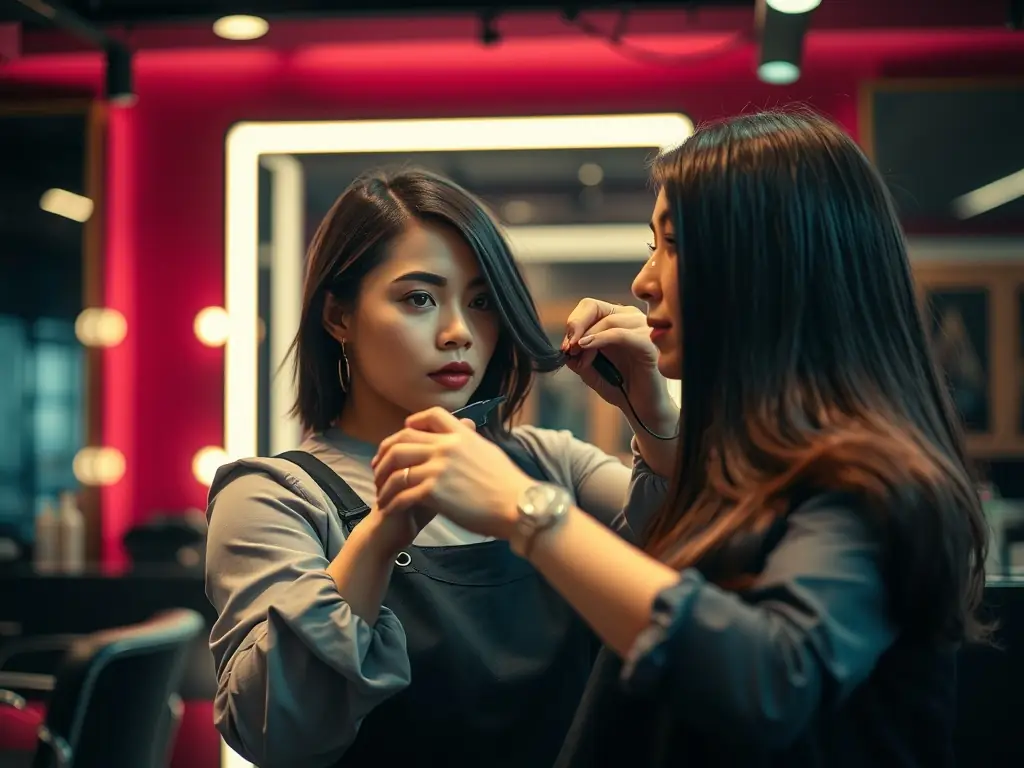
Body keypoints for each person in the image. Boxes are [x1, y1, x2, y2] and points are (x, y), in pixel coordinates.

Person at [370, 111, 991, 767]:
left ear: (770, 265)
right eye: (651, 246)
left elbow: (770, 680)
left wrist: (528, 511)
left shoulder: (869, 474)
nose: (644, 282)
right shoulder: (772, 467)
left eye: (675, 246)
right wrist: (652, 415)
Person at [204, 168, 658, 768]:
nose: (458, 333)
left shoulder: (548, 463)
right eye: (419, 298)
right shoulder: (277, 497)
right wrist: (386, 526)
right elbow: (277, 735)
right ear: (338, 316)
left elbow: (706, 569)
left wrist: (651, 407)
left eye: (481, 303)